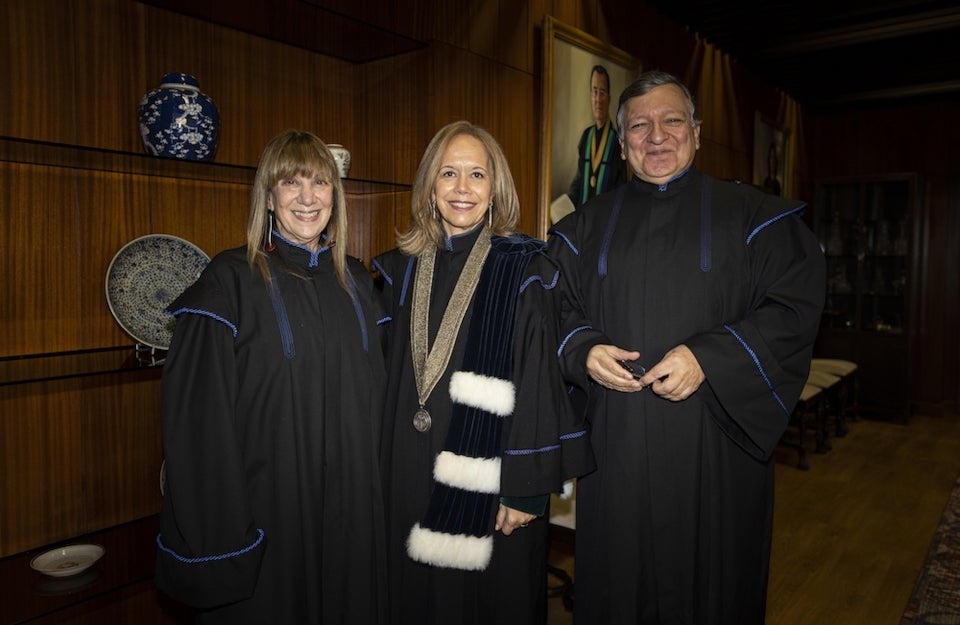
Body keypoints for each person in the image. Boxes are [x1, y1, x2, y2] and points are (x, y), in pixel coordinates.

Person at [548, 71, 825, 624]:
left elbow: (792, 306)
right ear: (623, 143)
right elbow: (551, 307)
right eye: (640, 126)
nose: (657, 136)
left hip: (715, 450)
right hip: (618, 450)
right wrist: (581, 349)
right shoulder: (580, 229)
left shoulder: (754, 218)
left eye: (672, 121)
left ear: (696, 133)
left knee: (713, 591)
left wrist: (710, 356)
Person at [155, 130, 389, 624]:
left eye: (320, 183)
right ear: (268, 196)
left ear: (335, 197)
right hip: (271, 518)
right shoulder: (229, 281)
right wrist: (224, 533)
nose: (308, 197)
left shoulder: (360, 285)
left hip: (353, 519)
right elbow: (199, 426)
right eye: (291, 183)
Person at [372, 120, 593, 625]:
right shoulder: (398, 270)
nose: (463, 188)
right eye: (449, 173)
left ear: (496, 189)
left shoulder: (526, 268)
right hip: (407, 466)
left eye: (477, 174)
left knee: (489, 604)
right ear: (430, 185)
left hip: (492, 479)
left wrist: (524, 490)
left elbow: (539, 376)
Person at [567, 64, 627, 208]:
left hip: (604, 219)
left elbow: (621, 188)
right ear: (590, 95)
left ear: (609, 98)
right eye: (595, 92)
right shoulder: (586, 137)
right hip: (583, 219)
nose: (598, 99)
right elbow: (580, 180)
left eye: (602, 92)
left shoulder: (618, 142)